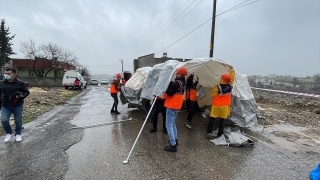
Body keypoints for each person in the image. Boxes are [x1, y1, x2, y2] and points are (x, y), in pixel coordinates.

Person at [0, 68, 30, 142]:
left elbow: (27, 92)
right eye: (5, 73)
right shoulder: (1, 83)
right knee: (4, 120)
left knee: (18, 120)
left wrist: (21, 96)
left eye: (8, 74)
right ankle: (9, 133)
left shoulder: (20, 83)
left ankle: (18, 134)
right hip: (5, 106)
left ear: (14, 74)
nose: (6, 75)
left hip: (17, 105)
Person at [163, 66, 187, 152]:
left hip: (172, 106)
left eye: (178, 73)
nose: (176, 74)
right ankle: (175, 140)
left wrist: (165, 88)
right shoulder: (183, 83)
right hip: (177, 106)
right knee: (173, 124)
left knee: (168, 125)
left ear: (181, 74)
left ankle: (173, 145)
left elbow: (169, 93)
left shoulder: (176, 83)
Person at [207, 66, 235, 138]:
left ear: (223, 79)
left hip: (216, 105)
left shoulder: (217, 87)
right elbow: (232, 78)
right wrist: (231, 69)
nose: (220, 78)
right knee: (222, 120)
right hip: (225, 106)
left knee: (212, 118)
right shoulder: (230, 85)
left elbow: (213, 95)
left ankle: (209, 132)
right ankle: (220, 133)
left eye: (221, 78)